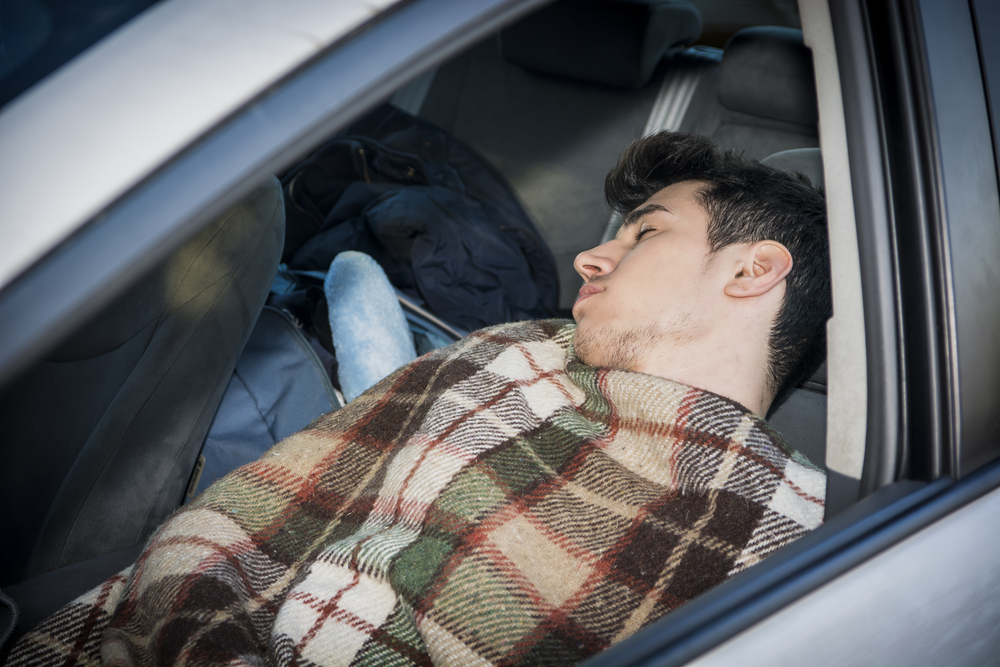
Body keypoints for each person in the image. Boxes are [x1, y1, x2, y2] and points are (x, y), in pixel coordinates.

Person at [6, 132, 830, 667]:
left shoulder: (794, 546)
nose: (588, 256)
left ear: (751, 271)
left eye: (643, 232)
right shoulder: (511, 351)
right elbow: (259, 513)